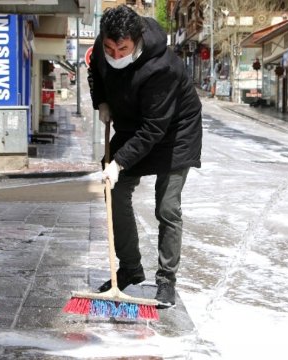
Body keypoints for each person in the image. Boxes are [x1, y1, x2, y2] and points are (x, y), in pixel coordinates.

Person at [88, 5, 202, 308]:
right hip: (131, 122)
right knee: (114, 191)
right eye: (110, 47)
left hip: (175, 132)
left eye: (121, 48)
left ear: (137, 40)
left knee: (167, 207)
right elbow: (95, 72)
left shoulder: (162, 68)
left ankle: (166, 280)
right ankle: (130, 268)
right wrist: (101, 102)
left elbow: (154, 128)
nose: (114, 54)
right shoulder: (103, 47)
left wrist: (119, 162)